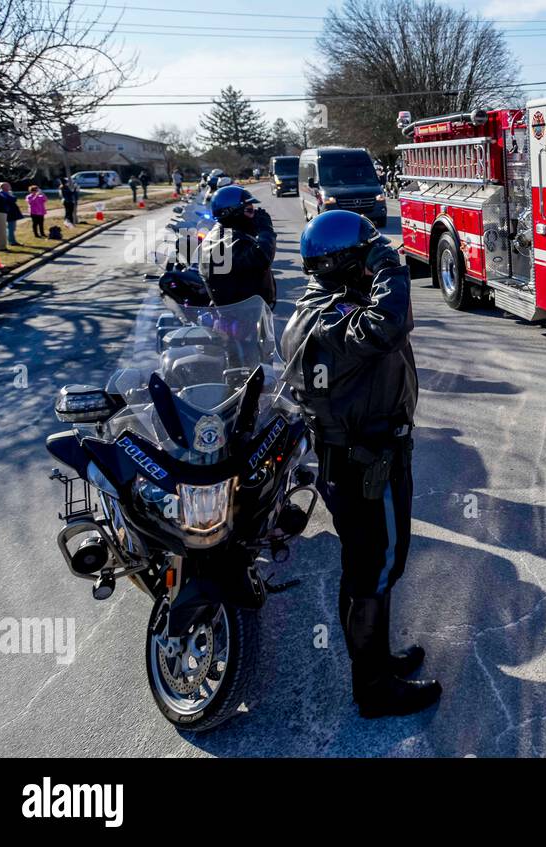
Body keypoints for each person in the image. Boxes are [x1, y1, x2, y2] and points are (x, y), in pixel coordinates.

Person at [279, 209, 442, 719]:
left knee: (366, 568)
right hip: (366, 465)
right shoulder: (328, 319)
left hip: (353, 461)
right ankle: (372, 688)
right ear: (345, 262)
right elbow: (388, 325)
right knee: (376, 567)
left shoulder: (322, 304)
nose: (374, 263)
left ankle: (375, 662)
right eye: (366, 255)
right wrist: (391, 267)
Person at [196, 185, 277, 307]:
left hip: (236, 313)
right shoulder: (227, 242)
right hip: (240, 318)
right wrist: (266, 230)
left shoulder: (219, 234)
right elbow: (262, 259)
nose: (254, 215)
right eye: (249, 211)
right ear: (233, 213)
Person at [0, 182, 21, 247]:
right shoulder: (3, 193)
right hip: (9, 213)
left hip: (11, 212)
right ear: (4, 187)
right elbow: (13, 199)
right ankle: (12, 241)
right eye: (8, 185)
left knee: (12, 227)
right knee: (11, 228)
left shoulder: (7, 193)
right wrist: (11, 195)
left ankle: (11, 240)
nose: (9, 186)